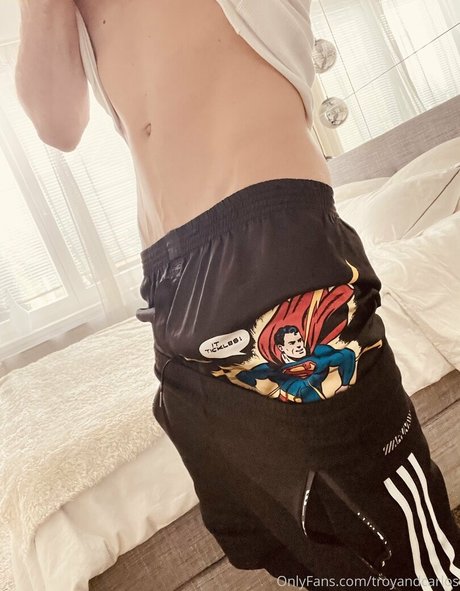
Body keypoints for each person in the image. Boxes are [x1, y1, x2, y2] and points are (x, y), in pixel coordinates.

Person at [16, 1, 460, 588]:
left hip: (274, 245)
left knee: (396, 547)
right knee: (273, 538)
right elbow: (57, 125)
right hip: (169, 291)